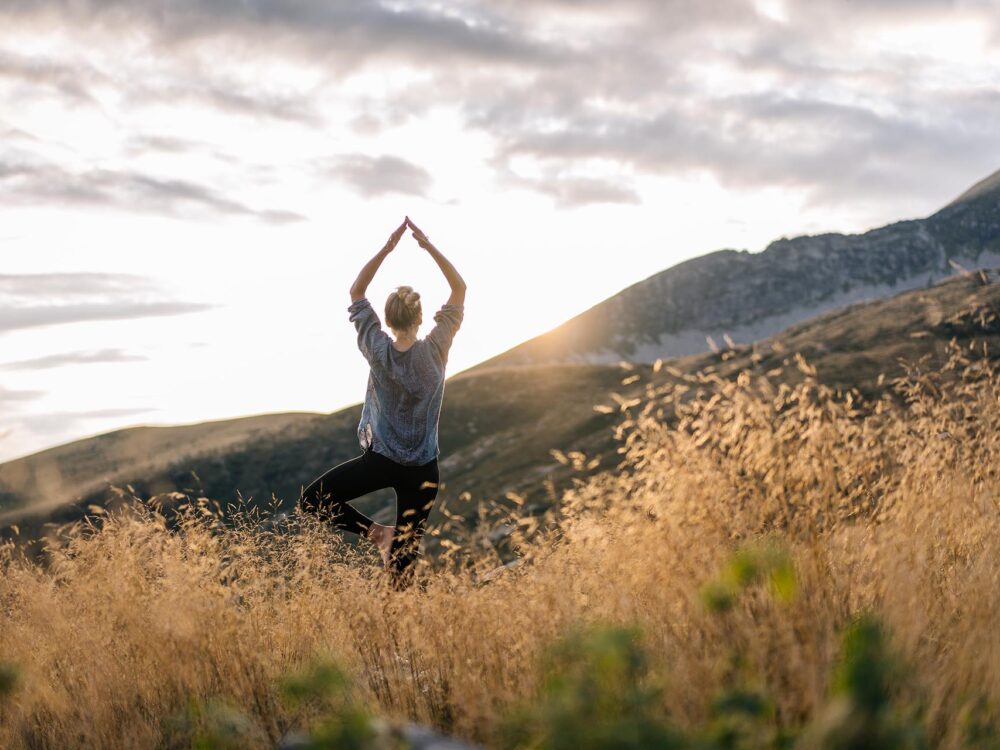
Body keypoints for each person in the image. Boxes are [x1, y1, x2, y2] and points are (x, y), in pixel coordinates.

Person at [298, 216, 466, 590]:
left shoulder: (377, 349)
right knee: (401, 578)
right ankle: (397, 643)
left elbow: (357, 290)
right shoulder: (437, 349)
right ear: (422, 319)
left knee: (312, 500)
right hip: (423, 469)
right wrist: (427, 245)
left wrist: (388, 248)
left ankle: (377, 533)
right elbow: (459, 287)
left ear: (387, 320)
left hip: (381, 461)